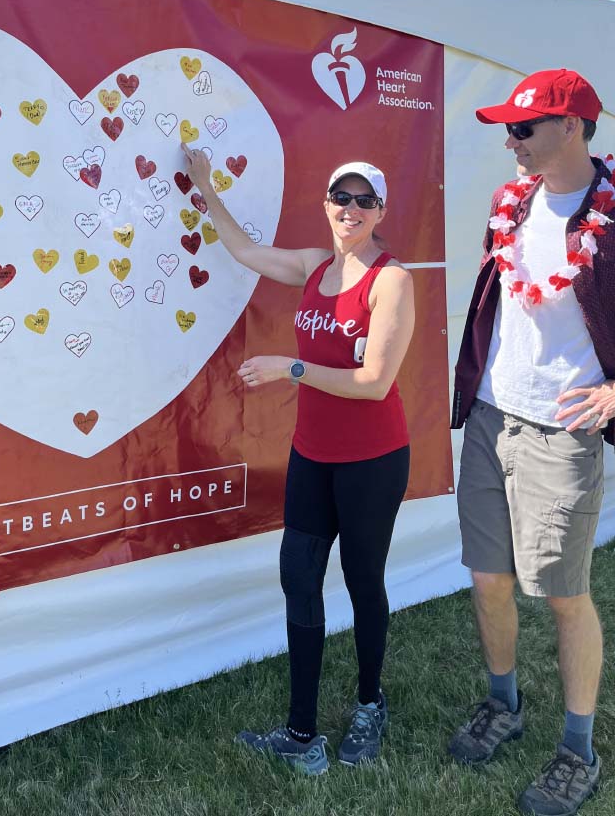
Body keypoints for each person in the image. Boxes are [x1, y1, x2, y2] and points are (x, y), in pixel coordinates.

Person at [182, 142, 415, 775]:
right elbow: (247, 252)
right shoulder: (315, 265)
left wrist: (293, 368)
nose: (352, 209)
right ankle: (301, 729)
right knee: (298, 581)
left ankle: (370, 703)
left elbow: (372, 381)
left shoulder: (391, 279)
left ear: (380, 211)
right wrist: (206, 186)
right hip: (313, 456)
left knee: (364, 583)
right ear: (327, 204)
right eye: (342, 197)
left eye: (365, 201)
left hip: (372, 459)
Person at [450, 69, 614, 816]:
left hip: (563, 429)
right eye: (505, 129)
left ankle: (578, 749)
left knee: (564, 594)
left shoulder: (611, 215)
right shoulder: (508, 204)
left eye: (522, 128)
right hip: (492, 416)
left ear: (573, 128)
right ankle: (503, 703)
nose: (508, 141)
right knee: (489, 579)